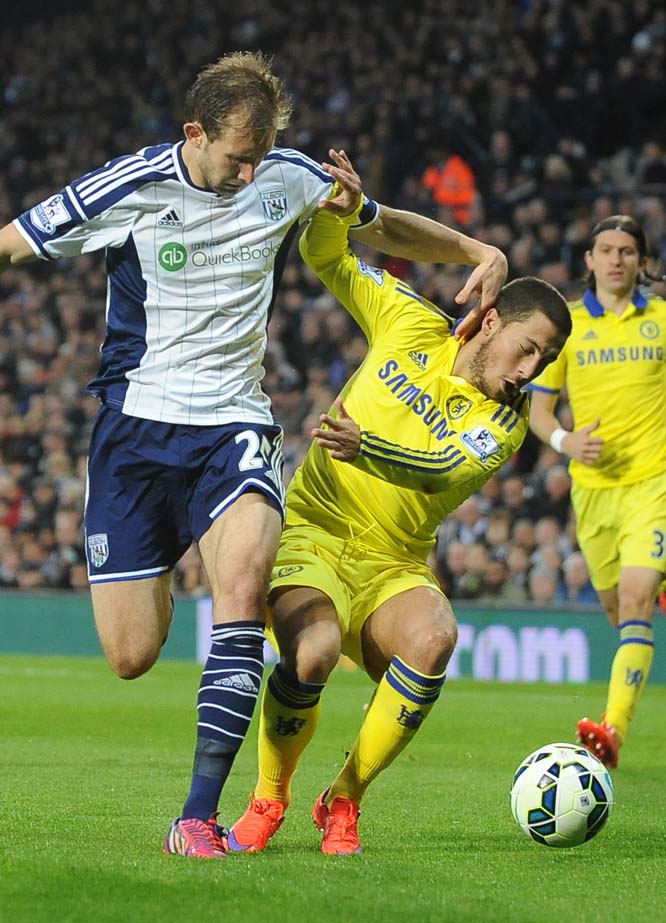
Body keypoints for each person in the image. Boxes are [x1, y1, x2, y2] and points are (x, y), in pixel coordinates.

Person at [0, 52, 508, 860]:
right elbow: (14, 243)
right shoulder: (128, 186)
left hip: (233, 425)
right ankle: (162, 553)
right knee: (132, 655)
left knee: (240, 588)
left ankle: (198, 815)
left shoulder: (284, 174)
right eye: (238, 155)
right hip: (134, 435)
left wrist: (477, 248)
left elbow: (379, 222)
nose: (249, 173)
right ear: (193, 133)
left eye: (260, 155)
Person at [226, 150, 571, 856]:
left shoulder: (507, 420)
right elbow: (329, 259)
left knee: (435, 636)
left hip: (393, 562)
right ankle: (269, 796)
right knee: (314, 652)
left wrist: (369, 447)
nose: (529, 372)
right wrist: (343, 209)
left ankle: (343, 797)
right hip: (314, 533)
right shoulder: (408, 319)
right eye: (528, 349)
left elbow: (438, 470)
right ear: (493, 318)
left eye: (543, 362)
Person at [529, 215, 666, 769]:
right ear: (588, 259)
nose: (616, 260)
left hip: (653, 484)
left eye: (627, 251)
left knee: (634, 601)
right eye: (605, 250)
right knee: (619, 612)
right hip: (593, 495)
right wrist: (566, 441)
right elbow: (539, 412)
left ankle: (610, 732)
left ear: (640, 261)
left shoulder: (660, 319)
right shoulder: (566, 327)